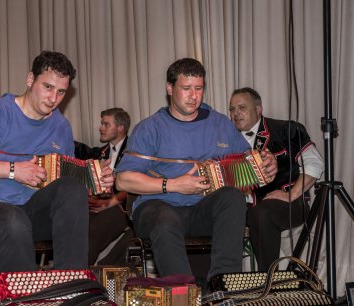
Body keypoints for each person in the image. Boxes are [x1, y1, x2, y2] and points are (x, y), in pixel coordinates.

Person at [0, 50, 114, 272]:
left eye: (61, 92)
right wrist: (13, 170)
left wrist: (96, 181)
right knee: (12, 218)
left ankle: (71, 283)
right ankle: (27, 294)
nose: (53, 99)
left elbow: (63, 182)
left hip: (29, 213)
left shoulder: (61, 127)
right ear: (30, 79)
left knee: (72, 188)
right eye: (48, 87)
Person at [115, 58, 277, 282]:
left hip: (202, 210)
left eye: (198, 88)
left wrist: (266, 163)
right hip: (158, 207)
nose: (193, 96)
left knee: (232, 198)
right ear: (170, 88)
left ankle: (223, 283)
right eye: (186, 88)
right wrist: (174, 185)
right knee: (164, 218)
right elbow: (122, 180)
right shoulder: (150, 128)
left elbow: (249, 162)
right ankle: (184, 293)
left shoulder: (220, 124)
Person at [229, 87, 323, 271]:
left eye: (242, 108)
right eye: (232, 109)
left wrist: (292, 194)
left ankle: (269, 278)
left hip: (289, 204)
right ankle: (218, 282)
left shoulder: (286, 130)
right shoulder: (226, 138)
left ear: (258, 109)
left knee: (262, 212)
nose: (236, 113)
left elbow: (315, 163)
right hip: (242, 208)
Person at [75, 108, 134, 265]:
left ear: (120, 128)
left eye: (106, 124)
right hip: (99, 205)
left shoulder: (135, 151)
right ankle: (71, 269)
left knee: (93, 231)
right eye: (102, 124)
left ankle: (79, 272)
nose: (101, 128)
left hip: (122, 208)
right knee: (73, 224)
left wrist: (109, 203)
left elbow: (134, 186)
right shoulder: (99, 153)